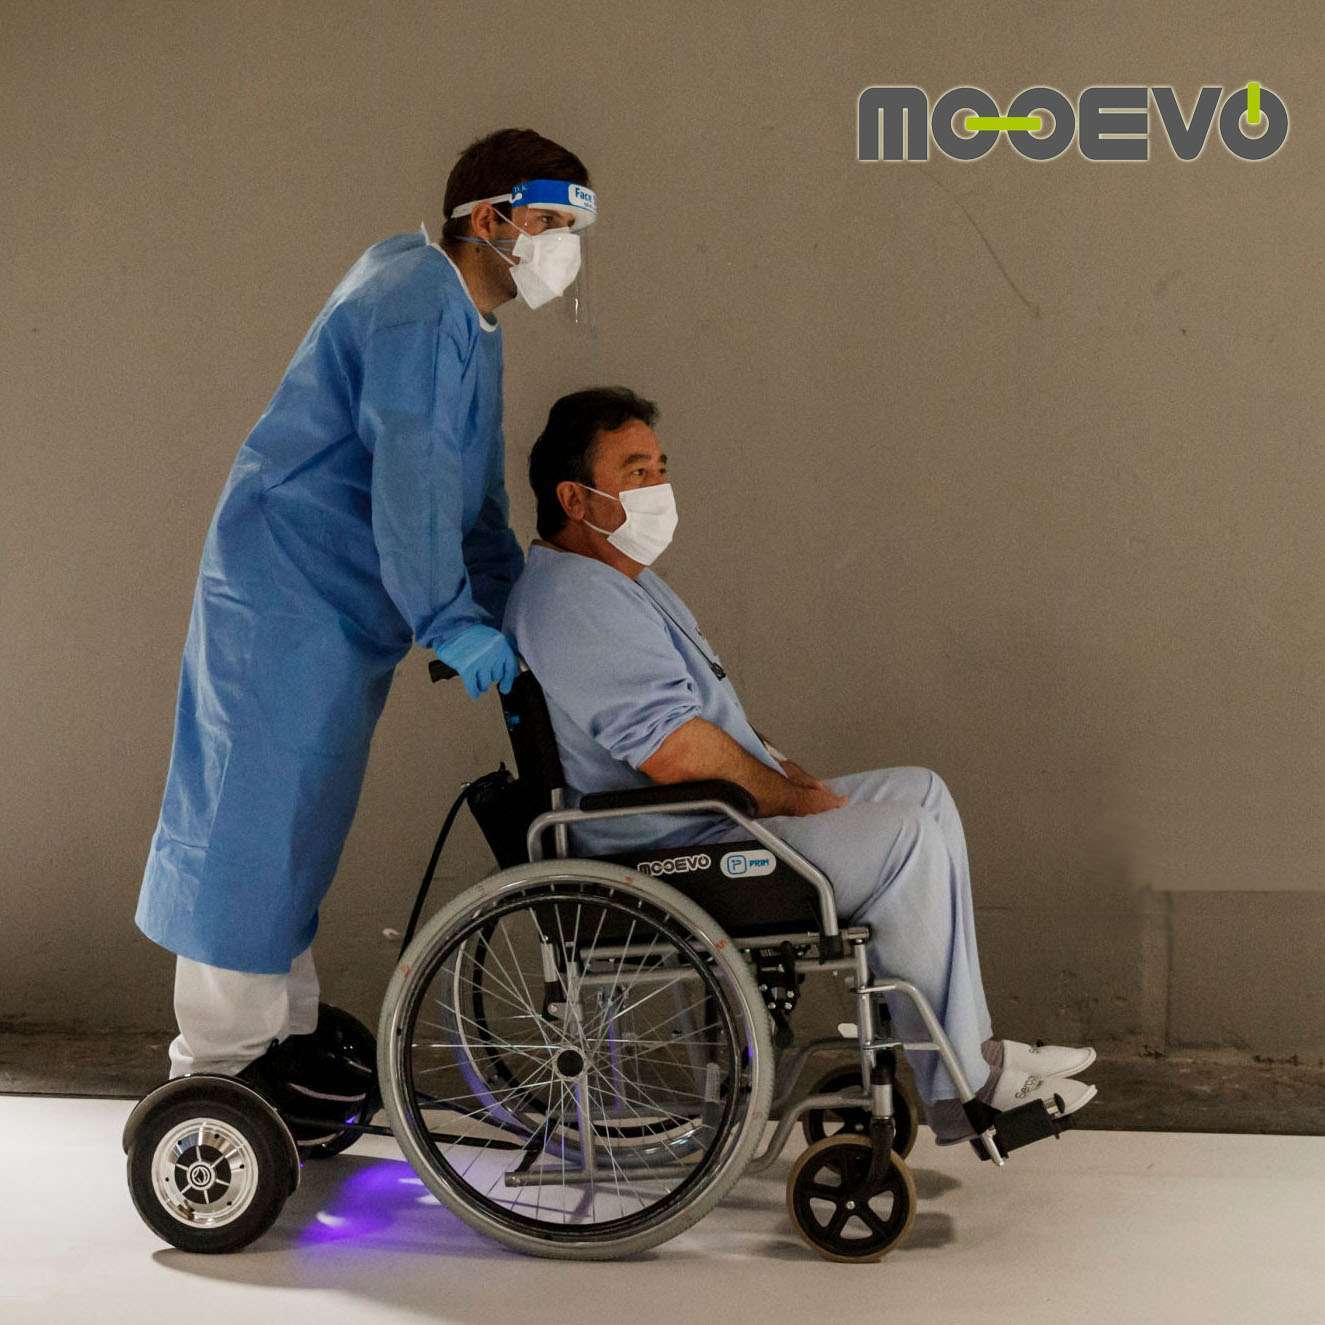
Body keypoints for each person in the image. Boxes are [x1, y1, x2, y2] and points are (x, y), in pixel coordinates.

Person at [135, 128, 598, 1120]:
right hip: (285, 598)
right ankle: (217, 1061)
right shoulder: (416, 300)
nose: (565, 248)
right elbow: (411, 477)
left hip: (336, 611)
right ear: (490, 218)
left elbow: (471, 494)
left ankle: (281, 1035)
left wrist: (518, 609)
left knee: (298, 824)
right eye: (550, 223)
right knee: (250, 827)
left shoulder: (468, 322)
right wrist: (447, 615)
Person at [502, 386, 1099, 1143]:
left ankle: (959, 1049)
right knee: (904, 838)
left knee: (923, 793)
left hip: (711, 820)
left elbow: (712, 719)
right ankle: (960, 1081)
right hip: (668, 849)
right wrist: (788, 798)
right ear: (574, 498)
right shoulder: (571, 600)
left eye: (660, 468)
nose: (658, 487)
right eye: (635, 472)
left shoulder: (619, 581)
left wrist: (790, 773)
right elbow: (672, 750)